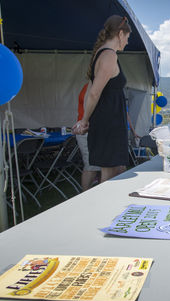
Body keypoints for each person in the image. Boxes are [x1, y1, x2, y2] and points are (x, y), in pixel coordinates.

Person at [72, 15, 131, 183]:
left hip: (108, 121)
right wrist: (84, 120)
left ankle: (108, 206)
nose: (127, 42)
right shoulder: (109, 55)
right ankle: (105, 207)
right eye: (127, 38)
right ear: (120, 34)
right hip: (108, 122)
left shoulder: (101, 53)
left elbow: (91, 88)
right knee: (110, 174)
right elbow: (93, 93)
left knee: (115, 170)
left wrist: (86, 118)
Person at [75, 83, 101, 191]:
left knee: (99, 167)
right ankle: (84, 196)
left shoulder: (91, 86)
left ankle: (96, 193)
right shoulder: (92, 87)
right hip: (86, 129)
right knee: (91, 167)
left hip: (92, 129)